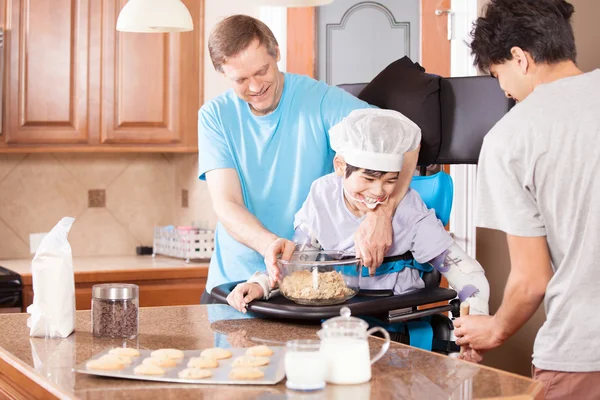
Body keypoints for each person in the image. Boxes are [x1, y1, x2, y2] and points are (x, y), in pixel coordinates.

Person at [198, 15, 419, 302]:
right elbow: (226, 203)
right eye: (240, 79)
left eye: (261, 71)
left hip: (307, 285)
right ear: (224, 74)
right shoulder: (214, 116)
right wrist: (270, 245)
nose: (254, 87)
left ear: (276, 52)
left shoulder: (321, 100)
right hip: (233, 284)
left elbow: (408, 140)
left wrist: (382, 212)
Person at [453, 0, 600, 397]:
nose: (502, 89)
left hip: (583, 354)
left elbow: (532, 280)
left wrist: (496, 328)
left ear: (520, 58)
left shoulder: (511, 137)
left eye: (498, 74)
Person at [227, 109, 490, 331]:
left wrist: (474, 323)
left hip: (397, 323)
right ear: (341, 166)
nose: (378, 193)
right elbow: (300, 263)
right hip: (337, 324)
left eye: (390, 180)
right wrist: (261, 283)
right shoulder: (323, 194)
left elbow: (469, 276)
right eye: (368, 178)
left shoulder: (409, 208)